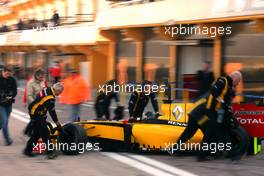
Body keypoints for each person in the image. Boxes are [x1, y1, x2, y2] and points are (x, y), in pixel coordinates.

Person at [175, 71, 242, 160]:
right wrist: (221, 102)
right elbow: (215, 93)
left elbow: (226, 104)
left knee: (203, 134)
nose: (238, 84)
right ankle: (207, 154)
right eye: (238, 82)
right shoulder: (223, 82)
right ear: (235, 79)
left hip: (203, 113)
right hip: (199, 114)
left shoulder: (227, 88)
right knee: (205, 133)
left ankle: (203, 154)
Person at [24, 83, 64, 159]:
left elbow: (41, 101)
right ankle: (51, 152)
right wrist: (58, 124)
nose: (60, 94)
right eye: (61, 92)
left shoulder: (47, 88)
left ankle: (27, 150)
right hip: (37, 115)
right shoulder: (50, 98)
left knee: (36, 134)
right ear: (58, 90)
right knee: (45, 134)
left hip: (34, 111)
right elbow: (52, 112)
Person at [0, 66, 17, 145]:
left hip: (9, 104)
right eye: (6, 72)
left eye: (8, 72)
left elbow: (15, 91)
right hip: (1, 104)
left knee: (3, 122)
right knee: (5, 121)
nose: (7, 74)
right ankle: (7, 140)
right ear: (2, 72)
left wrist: (10, 96)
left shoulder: (12, 80)